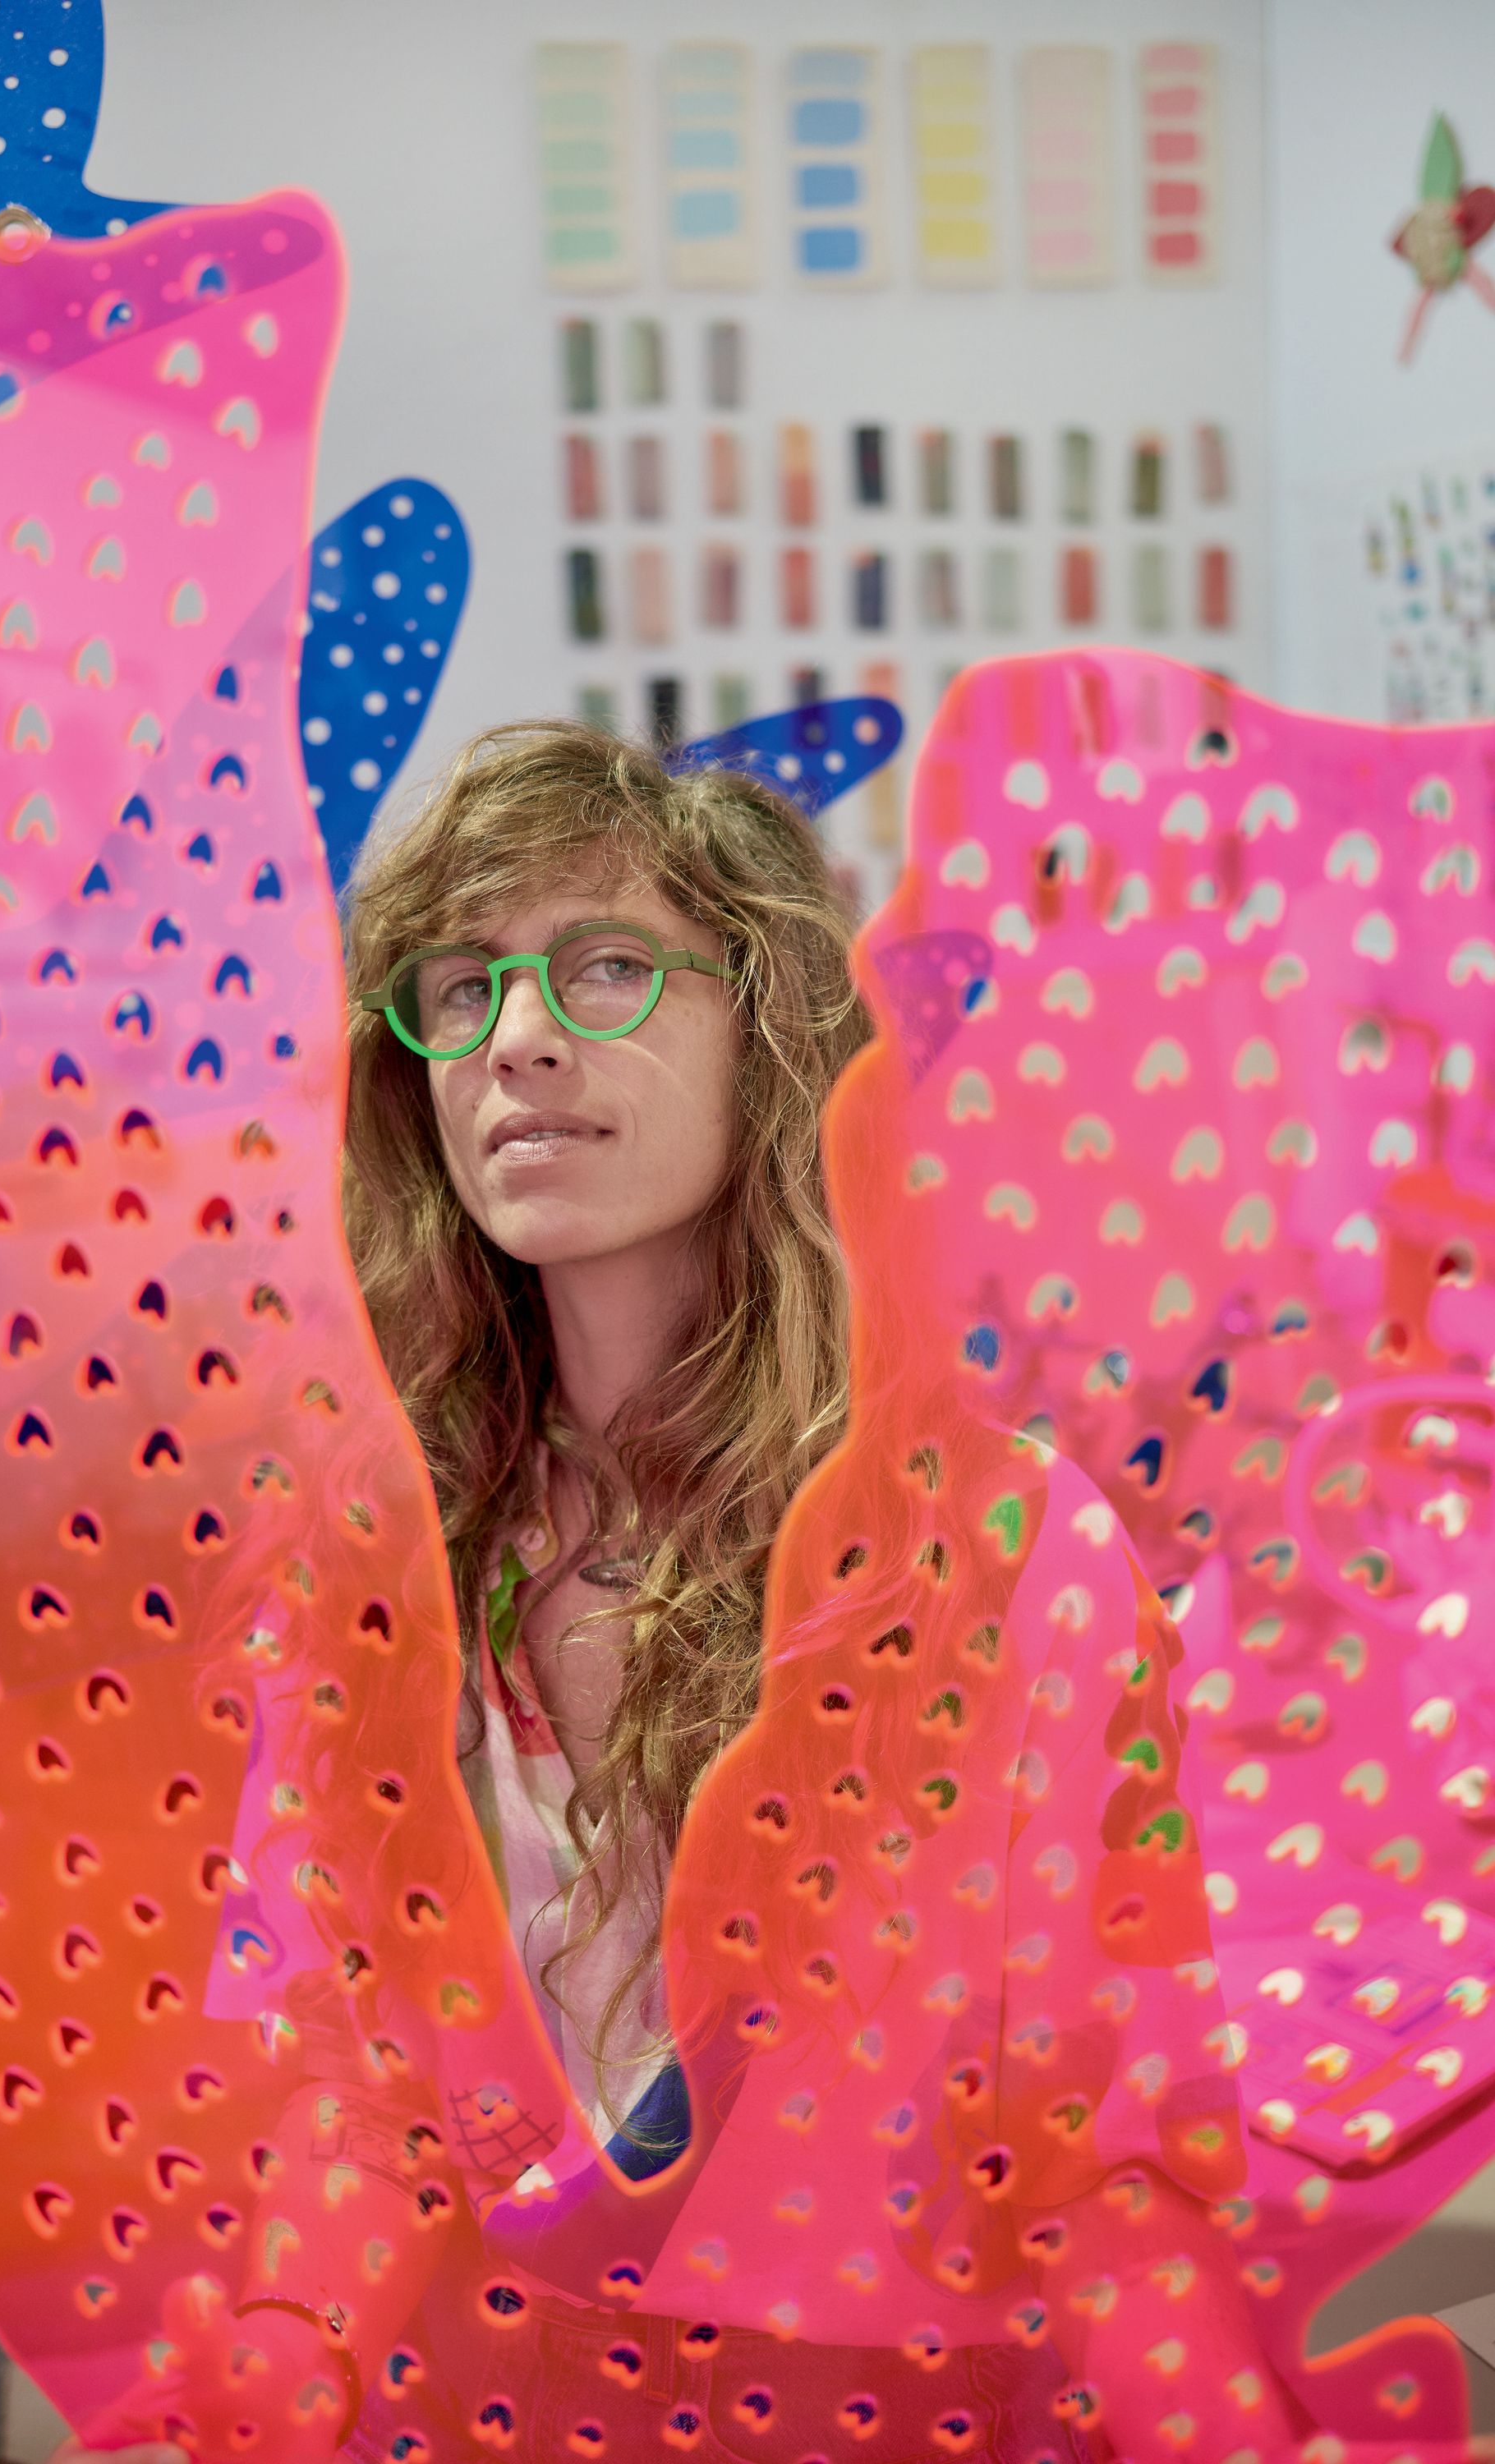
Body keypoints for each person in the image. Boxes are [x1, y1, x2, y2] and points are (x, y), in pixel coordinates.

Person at [64, 722, 1307, 2463]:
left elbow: (1112, 2151)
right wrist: (271, 2365)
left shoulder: (1002, 1556)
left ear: (778, 1037)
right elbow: (352, 2092)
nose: (514, 1036)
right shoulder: (376, 1554)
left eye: (608, 966)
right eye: (460, 982)